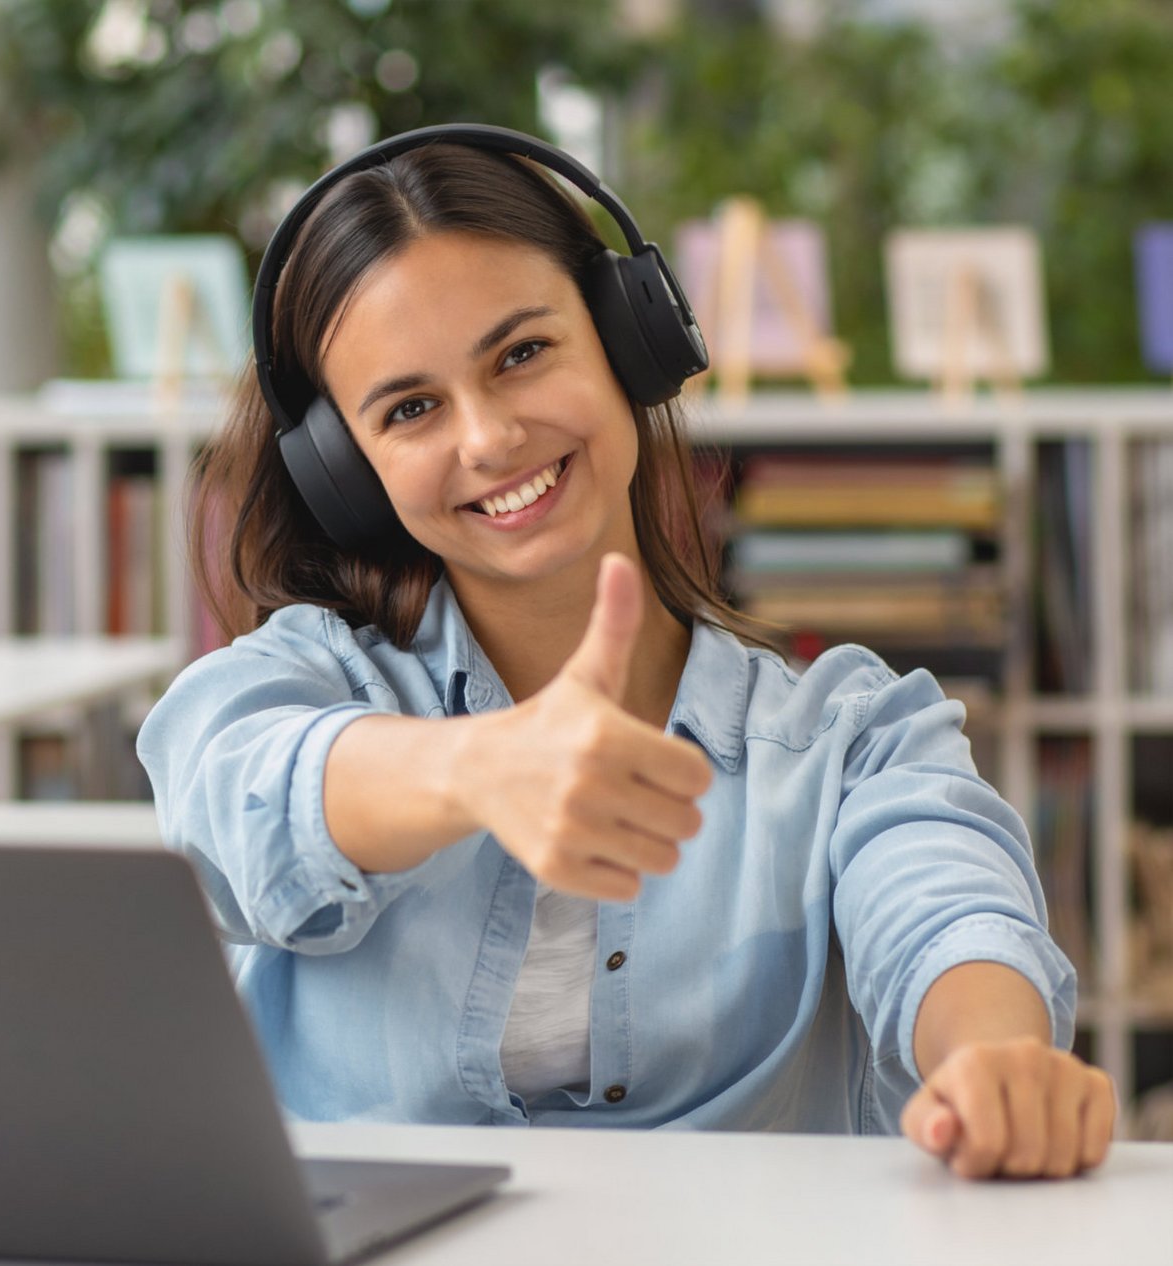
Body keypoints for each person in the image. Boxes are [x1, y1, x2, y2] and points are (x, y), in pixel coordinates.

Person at [136, 125, 1115, 1180]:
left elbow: (947, 909)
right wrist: (482, 768)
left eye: (521, 353)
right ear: (348, 469)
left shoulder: (851, 739)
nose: (488, 439)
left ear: (627, 340)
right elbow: (224, 806)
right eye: (411, 408)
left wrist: (994, 1063)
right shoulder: (293, 684)